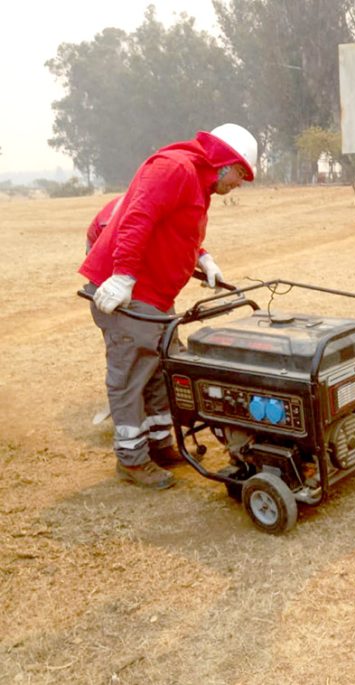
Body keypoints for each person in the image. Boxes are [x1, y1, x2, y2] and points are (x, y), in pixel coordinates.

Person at [80, 123, 258, 490]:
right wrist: (123, 275)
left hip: (156, 297)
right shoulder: (175, 168)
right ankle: (131, 459)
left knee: (161, 370)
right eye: (241, 174)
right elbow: (137, 219)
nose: (240, 183)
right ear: (225, 163)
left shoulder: (198, 181)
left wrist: (203, 257)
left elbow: (174, 227)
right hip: (131, 295)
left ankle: (160, 444)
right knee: (131, 375)